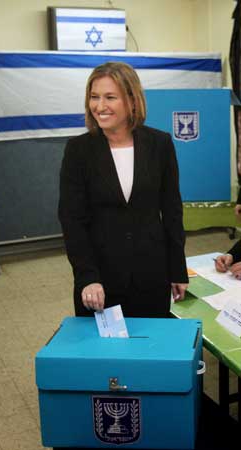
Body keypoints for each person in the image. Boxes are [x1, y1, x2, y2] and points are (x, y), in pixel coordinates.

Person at [58, 62, 188, 318]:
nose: (99, 106)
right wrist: (87, 277)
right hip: (99, 282)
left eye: (110, 97)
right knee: (105, 356)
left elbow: (172, 211)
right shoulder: (78, 150)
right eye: (94, 97)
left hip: (151, 276)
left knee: (150, 351)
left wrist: (177, 270)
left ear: (132, 100)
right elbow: (72, 220)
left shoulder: (160, 144)